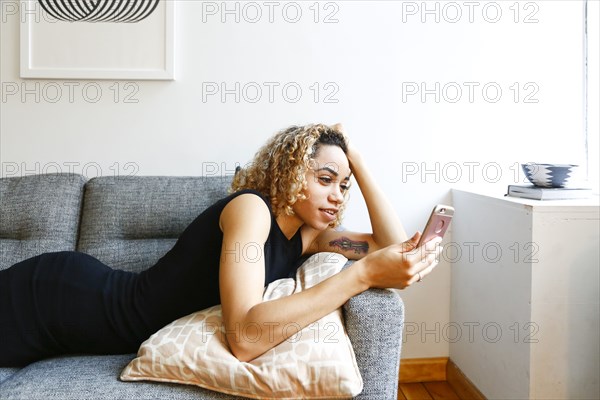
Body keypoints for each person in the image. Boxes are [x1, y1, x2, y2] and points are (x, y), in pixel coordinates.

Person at [0, 123, 442, 367]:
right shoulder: (250, 210)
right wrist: (361, 276)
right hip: (57, 298)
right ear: (288, 173)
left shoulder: (307, 238)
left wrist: (357, 164)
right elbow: (246, 337)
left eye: (343, 187)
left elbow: (393, 247)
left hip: (74, 325)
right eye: (325, 179)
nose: (337, 195)